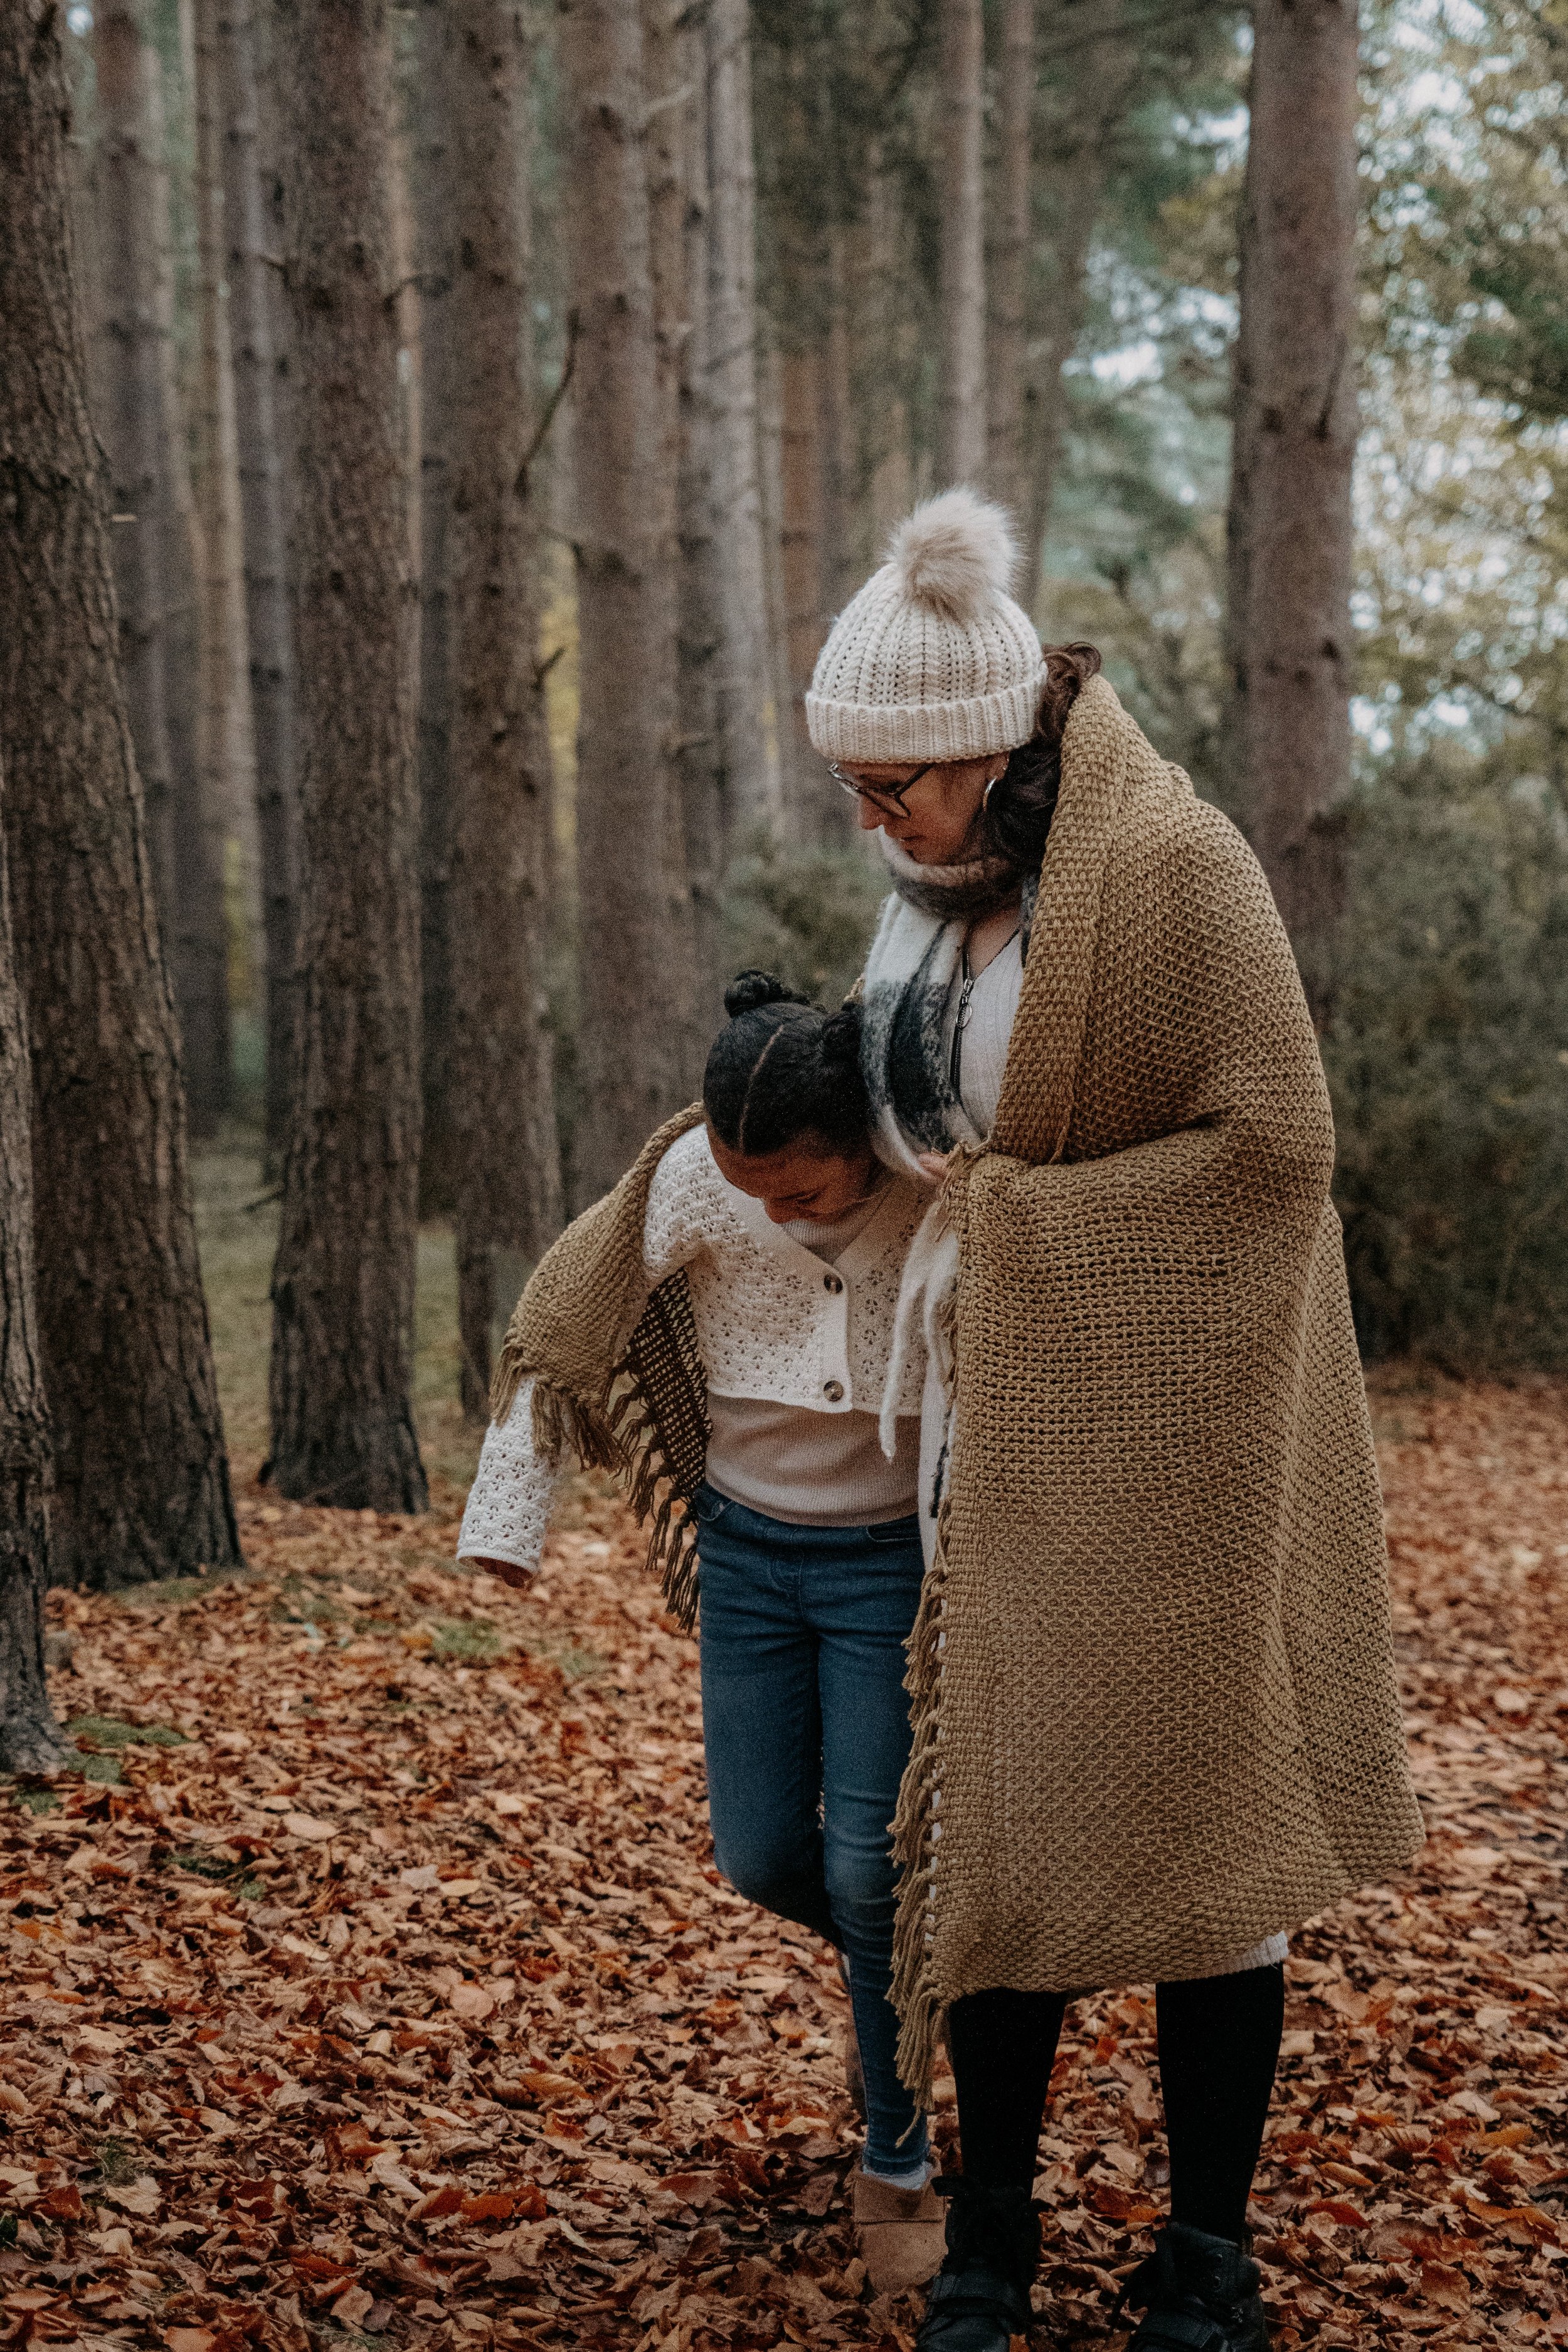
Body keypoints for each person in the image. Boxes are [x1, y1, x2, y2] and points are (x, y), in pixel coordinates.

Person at [802, 488, 1424, 2352]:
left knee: (1196, 1831)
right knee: (997, 1814)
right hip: (976, 1431)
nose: (872, 815)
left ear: (989, 743)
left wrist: (1024, 1227)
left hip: (1169, 1424)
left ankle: (1207, 2248)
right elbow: (912, 1114)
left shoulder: (1172, 871)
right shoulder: (926, 889)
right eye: (855, 784)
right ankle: (990, 2230)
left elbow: (1277, 1147)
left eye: (893, 779)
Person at [456, 976, 950, 2296]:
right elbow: (571, 1314)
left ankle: (896, 2153)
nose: (771, 1212)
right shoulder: (691, 1180)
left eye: (798, 1190)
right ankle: (888, 1988)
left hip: (881, 1570)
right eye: (752, 1190)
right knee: (758, 1854)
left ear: (859, 1141)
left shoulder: (930, 1180)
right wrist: (508, 1519)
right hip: (742, 1557)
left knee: (864, 1865)